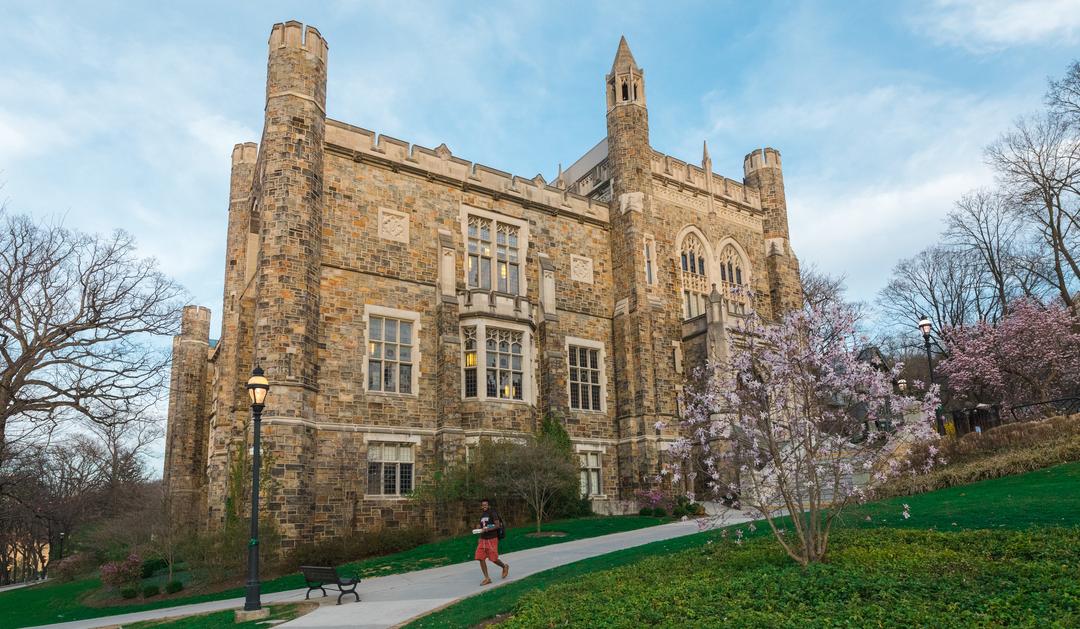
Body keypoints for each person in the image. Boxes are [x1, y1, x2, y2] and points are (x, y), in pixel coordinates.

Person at [475, 498, 509, 585]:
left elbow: (497, 525)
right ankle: (487, 578)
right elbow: (483, 526)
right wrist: (479, 528)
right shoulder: (482, 514)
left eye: (485, 505)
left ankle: (504, 566)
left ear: (488, 505)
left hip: (492, 539)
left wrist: (488, 529)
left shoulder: (493, 513)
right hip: (483, 539)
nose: (484, 506)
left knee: (493, 558)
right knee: (480, 557)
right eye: (482, 505)